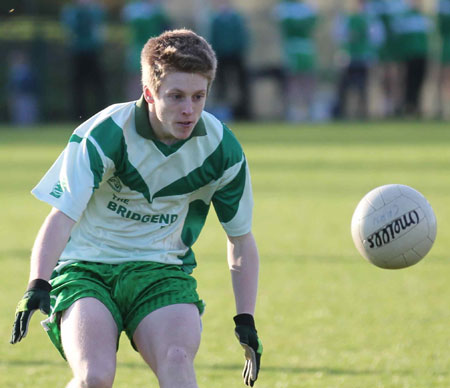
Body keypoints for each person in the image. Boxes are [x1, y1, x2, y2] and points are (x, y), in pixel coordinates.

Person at [10, 29, 262, 388]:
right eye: (175, 96)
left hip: (162, 273)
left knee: (178, 365)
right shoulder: (108, 132)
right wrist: (38, 282)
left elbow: (240, 240)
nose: (188, 110)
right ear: (148, 93)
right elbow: (61, 215)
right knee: (94, 378)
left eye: (198, 96)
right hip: (87, 270)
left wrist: (246, 319)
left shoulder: (222, 149)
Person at [273, 0, 318, 122]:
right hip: (292, 49)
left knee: (308, 79)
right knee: (293, 80)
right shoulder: (284, 7)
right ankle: (294, 110)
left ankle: (310, 110)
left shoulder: (306, 6)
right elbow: (288, 26)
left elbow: (312, 23)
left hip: (306, 48)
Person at [61, 0, 107, 120]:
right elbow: (70, 28)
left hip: (93, 52)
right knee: (78, 86)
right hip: (78, 52)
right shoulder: (72, 11)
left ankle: (101, 114)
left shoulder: (95, 10)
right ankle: (78, 116)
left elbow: (99, 27)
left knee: (97, 85)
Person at [209, 0, 251, 120]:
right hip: (221, 56)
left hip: (236, 56)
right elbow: (213, 39)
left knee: (240, 84)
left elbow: (242, 37)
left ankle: (243, 111)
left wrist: (238, 49)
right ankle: (223, 111)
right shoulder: (215, 20)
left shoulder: (236, 19)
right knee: (221, 85)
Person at [121, 0, 172, 100]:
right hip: (138, 48)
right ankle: (134, 105)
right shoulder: (134, 8)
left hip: (154, 49)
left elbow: (165, 28)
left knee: (156, 79)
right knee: (137, 79)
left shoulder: (157, 10)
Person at [333, 0, 375, 119]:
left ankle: (362, 112)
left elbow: (376, 38)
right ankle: (342, 112)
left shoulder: (369, 19)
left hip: (363, 58)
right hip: (348, 58)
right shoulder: (346, 18)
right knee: (344, 87)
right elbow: (339, 36)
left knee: (362, 87)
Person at [437, 0, 450, 119]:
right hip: (447, 49)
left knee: (445, 80)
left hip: (446, 48)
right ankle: (445, 110)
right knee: (445, 80)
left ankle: (445, 111)